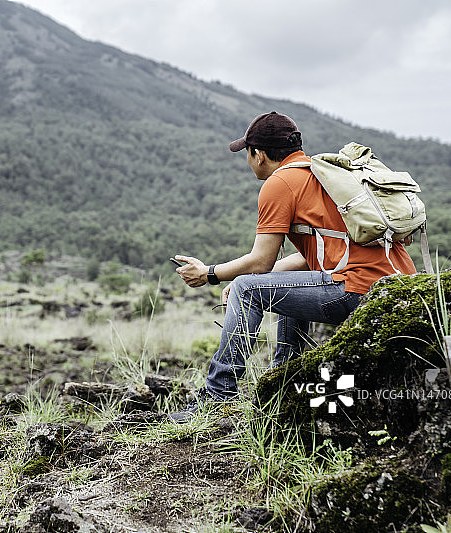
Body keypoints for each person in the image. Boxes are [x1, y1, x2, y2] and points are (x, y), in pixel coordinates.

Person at [169, 111, 416, 422]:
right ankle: (283, 384)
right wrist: (262, 281)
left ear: (258, 155)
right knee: (272, 285)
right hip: (397, 285)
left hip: (357, 288)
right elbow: (314, 255)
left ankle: (217, 396)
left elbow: (260, 261)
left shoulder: (281, 182)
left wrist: (209, 273)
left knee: (246, 289)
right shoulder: (324, 175)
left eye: (247, 153)